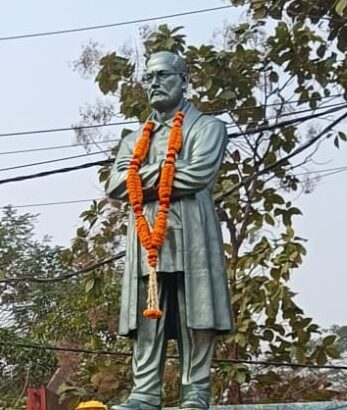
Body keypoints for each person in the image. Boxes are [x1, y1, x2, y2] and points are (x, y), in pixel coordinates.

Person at [105, 51, 234, 410]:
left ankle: (195, 392)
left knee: (197, 312)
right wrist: (162, 173)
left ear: (183, 80)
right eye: (148, 77)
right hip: (146, 236)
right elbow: (115, 184)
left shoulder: (208, 128)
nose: (154, 83)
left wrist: (138, 178)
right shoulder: (133, 140)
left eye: (163, 75)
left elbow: (197, 174)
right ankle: (145, 393)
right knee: (147, 316)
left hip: (192, 232)